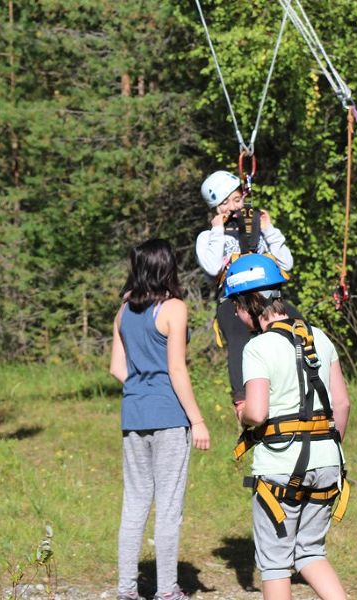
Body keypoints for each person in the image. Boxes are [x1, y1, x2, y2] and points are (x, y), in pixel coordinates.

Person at [225, 253, 351, 600]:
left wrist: (242, 413)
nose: (236, 314)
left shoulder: (258, 347)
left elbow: (258, 412)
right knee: (310, 552)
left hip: (279, 467)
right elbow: (342, 404)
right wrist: (329, 445)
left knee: (276, 563)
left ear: (251, 303)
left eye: (236, 305)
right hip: (327, 463)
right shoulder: (320, 338)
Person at [109, 239, 210, 600]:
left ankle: (126, 590)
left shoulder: (123, 311)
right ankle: (167, 591)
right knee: (168, 506)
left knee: (134, 503)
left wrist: (141, 387)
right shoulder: (174, 308)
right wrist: (197, 420)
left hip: (133, 415)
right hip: (168, 416)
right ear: (167, 266)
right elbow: (177, 368)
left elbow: (117, 368)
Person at [196, 170, 299, 407]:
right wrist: (217, 231)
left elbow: (286, 263)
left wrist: (269, 228)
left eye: (237, 199)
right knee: (238, 337)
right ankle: (242, 400)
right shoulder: (208, 237)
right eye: (225, 203)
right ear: (215, 207)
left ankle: (305, 378)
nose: (232, 207)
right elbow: (212, 268)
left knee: (297, 326)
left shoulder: (257, 231)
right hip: (232, 300)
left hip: (265, 297)